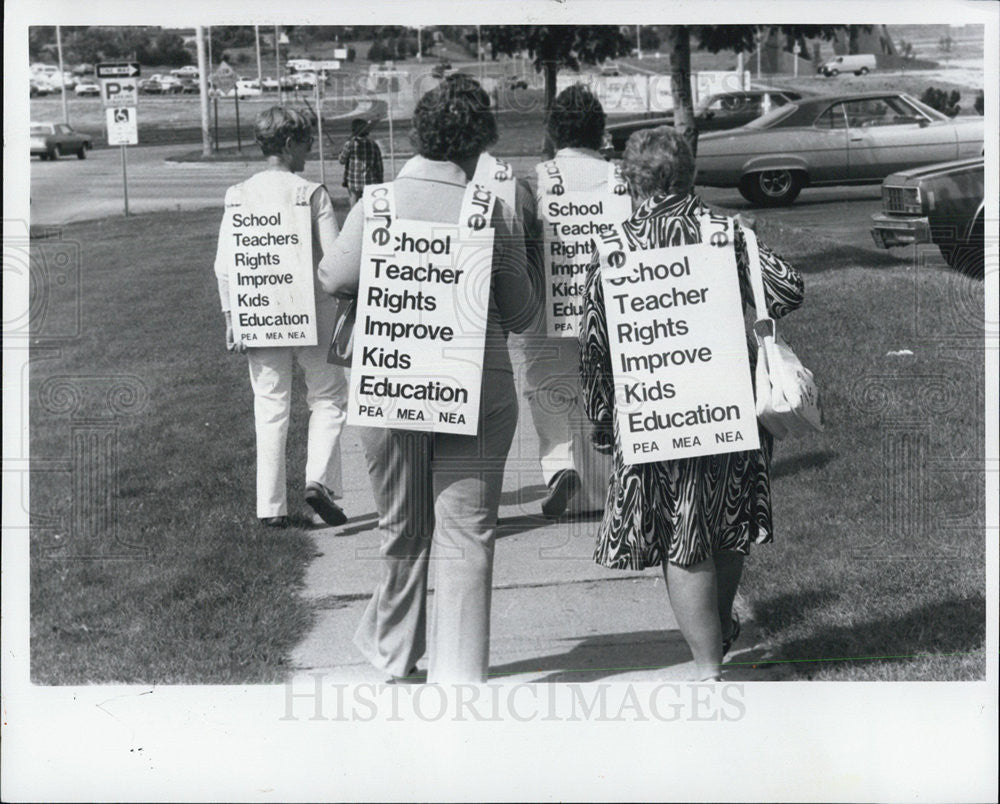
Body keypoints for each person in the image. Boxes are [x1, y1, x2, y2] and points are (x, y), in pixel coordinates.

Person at [319, 75, 539, 683]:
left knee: (403, 525)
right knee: (468, 533)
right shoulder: (489, 210)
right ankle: (461, 674)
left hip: (392, 380)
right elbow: (522, 314)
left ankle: (394, 652)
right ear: (477, 145)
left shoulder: (378, 203)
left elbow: (333, 277)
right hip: (475, 384)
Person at [580, 126, 805, 681]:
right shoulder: (726, 233)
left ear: (630, 178)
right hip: (730, 404)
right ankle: (719, 630)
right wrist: (748, 258)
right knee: (727, 523)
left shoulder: (614, 247)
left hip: (655, 410)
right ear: (690, 175)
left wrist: (603, 418)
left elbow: (594, 342)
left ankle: (708, 664)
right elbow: (789, 288)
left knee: (683, 534)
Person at [213, 106, 350, 529]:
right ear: (289, 144)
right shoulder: (312, 193)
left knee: (270, 404)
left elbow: (224, 265)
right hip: (313, 308)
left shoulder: (237, 194)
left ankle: (271, 507)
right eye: (307, 143)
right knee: (328, 396)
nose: (309, 152)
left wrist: (232, 316)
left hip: (259, 309)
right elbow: (333, 263)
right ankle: (318, 482)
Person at [509, 84, 624, 518]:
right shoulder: (624, 181)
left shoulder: (534, 182)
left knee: (548, 387)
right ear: (601, 132)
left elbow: (515, 247)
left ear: (553, 132)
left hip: (550, 305)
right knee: (610, 389)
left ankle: (559, 468)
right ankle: (612, 484)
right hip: (614, 306)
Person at [338, 118, 384, 206]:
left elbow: (342, 160)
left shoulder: (350, 144)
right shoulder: (373, 144)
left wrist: (344, 149)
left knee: (354, 209)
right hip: (370, 182)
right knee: (369, 208)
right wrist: (380, 182)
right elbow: (379, 166)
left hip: (354, 182)